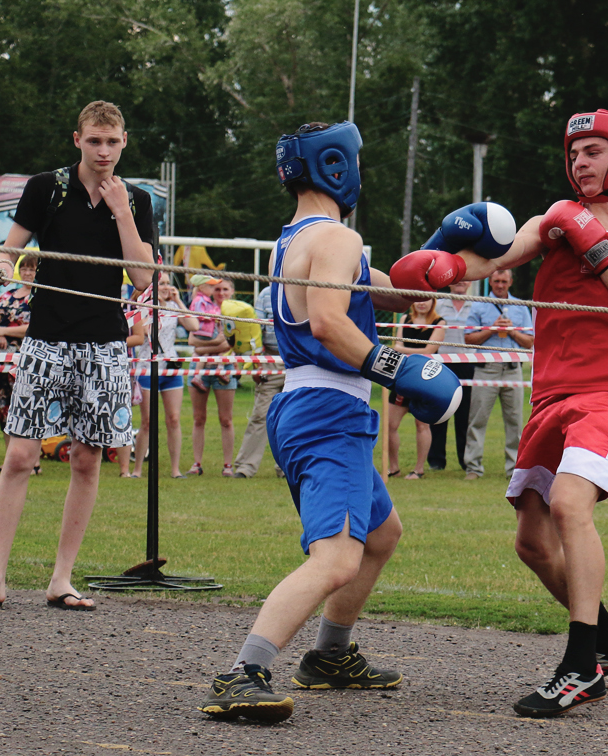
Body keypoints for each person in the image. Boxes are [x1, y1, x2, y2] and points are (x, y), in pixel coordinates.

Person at [390, 110, 608, 717]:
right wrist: (441, 263)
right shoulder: (553, 218)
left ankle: (580, 665)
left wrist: (595, 243)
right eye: (574, 151)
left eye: (594, 151)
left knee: (570, 505)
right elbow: (495, 261)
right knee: (531, 539)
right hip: (553, 388)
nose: (579, 161)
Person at [198, 121, 463, 722]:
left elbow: (380, 294)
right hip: (328, 410)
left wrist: (435, 272)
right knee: (338, 558)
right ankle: (243, 672)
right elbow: (326, 321)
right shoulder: (339, 238)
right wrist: (397, 366)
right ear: (338, 167)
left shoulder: (297, 237)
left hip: (314, 406)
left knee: (382, 533)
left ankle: (330, 655)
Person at [0, 99, 153, 614]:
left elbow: (145, 278)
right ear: (77, 139)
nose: (103, 151)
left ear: (124, 142)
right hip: (46, 340)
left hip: (104, 343)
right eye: (94, 141)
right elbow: (10, 249)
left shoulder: (139, 199)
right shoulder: (47, 187)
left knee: (87, 459)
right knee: (20, 455)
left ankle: (62, 579)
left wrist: (122, 211)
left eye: (112, 141)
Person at [462, 267, 534, 480]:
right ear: (490, 282)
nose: (500, 285)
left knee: (515, 422)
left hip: (513, 370)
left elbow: (530, 341)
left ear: (510, 282)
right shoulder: (478, 306)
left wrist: (512, 331)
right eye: (496, 282)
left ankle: (514, 469)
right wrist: (492, 329)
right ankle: (473, 468)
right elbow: (469, 339)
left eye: (504, 281)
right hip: (486, 369)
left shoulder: (520, 308)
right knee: (477, 420)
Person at [129, 274, 197, 479]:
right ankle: (138, 469)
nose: (166, 286)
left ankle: (175, 470)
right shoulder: (142, 307)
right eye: (162, 283)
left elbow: (193, 326)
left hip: (170, 367)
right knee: (148, 421)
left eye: (168, 283)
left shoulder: (172, 307)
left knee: (174, 419)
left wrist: (177, 301)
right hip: (148, 366)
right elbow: (146, 334)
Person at [0, 253, 37, 472]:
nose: (27, 273)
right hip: (1, 362)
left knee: (26, 409)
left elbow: (34, 328)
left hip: (26, 363)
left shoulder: (39, 299)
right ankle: (9, 461)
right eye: (24, 269)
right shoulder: (7, 296)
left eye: (32, 270)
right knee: (3, 409)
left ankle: (33, 462)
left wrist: (2, 330)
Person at [385, 298, 447, 479]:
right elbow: (396, 346)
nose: (422, 303)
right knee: (390, 424)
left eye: (426, 299)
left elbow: (430, 351)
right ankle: (394, 468)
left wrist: (405, 350)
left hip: (425, 380)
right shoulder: (405, 319)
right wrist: (405, 349)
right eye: (418, 299)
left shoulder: (439, 323)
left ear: (433, 301)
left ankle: (418, 469)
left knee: (422, 424)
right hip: (402, 378)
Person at [187, 279, 244, 476]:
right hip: (199, 367)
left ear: (232, 292)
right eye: (216, 289)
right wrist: (216, 344)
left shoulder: (237, 313)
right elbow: (192, 340)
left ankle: (228, 465)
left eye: (224, 289)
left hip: (224, 367)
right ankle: (196, 463)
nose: (220, 292)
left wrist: (205, 348)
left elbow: (229, 345)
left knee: (226, 419)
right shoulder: (204, 308)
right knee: (198, 417)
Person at [232, 282, 285, 478]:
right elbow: (256, 331)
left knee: (292, 417)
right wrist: (257, 363)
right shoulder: (266, 294)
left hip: (297, 360)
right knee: (260, 415)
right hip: (269, 360)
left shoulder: (305, 290)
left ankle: (287, 468)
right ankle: (245, 467)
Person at [428, 278, 477, 471]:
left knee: (465, 415)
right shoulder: (438, 305)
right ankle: (436, 460)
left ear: (470, 283)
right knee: (441, 411)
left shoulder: (477, 306)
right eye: (457, 281)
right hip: (443, 363)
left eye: (465, 280)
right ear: (449, 283)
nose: (461, 283)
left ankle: (466, 461)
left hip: (468, 363)